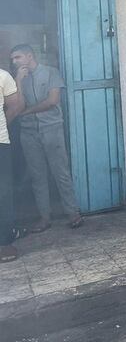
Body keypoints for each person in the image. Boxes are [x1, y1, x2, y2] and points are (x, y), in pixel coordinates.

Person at [10, 45, 82, 231]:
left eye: (18, 57)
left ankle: (73, 213)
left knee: (60, 172)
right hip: (28, 132)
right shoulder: (18, 79)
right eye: (13, 59)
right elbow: (16, 104)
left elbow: (52, 100)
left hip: (51, 129)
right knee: (37, 175)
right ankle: (44, 217)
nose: (14, 61)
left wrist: (27, 111)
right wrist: (18, 81)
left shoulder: (51, 72)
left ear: (29, 56)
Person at [1, 67, 24, 262]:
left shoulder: (3, 76)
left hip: (0, 142)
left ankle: (4, 242)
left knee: (3, 193)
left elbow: (15, 106)